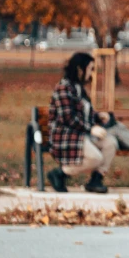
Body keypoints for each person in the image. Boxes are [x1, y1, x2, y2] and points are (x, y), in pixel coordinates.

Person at [47, 52, 118, 193]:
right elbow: (68, 118)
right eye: (90, 69)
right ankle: (60, 173)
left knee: (110, 143)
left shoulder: (79, 88)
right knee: (95, 158)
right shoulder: (63, 88)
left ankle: (96, 180)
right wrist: (91, 129)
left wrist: (98, 116)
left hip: (80, 132)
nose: (92, 73)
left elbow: (84, 112)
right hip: (66, 135)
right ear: (80, 69)